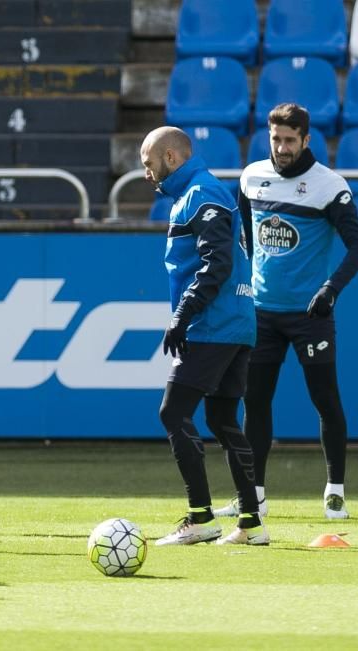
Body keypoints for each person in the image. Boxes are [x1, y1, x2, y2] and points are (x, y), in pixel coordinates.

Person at [214, 103, 358, 520]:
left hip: (309, 316)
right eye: (275, 139)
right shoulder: (251, 177)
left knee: (325, 400)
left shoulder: (328, 185)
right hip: (261, 314)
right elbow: (245, 237)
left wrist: (330, 289)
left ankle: (335, 490)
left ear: (306, 139)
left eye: (289, 140)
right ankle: (255, 497)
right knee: (256, 402)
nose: (281, 147)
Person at [139, 126, 267, 546]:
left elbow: (217, 264)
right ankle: (250, 523)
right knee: (223, 419)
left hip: (213, 323)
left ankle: (199, 517)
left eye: (149, 164)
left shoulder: (201, 194)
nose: (147, 174)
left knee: (173, 412)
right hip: (238, 321)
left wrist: (182, 315)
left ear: (171, 158)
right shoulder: (202, 192)